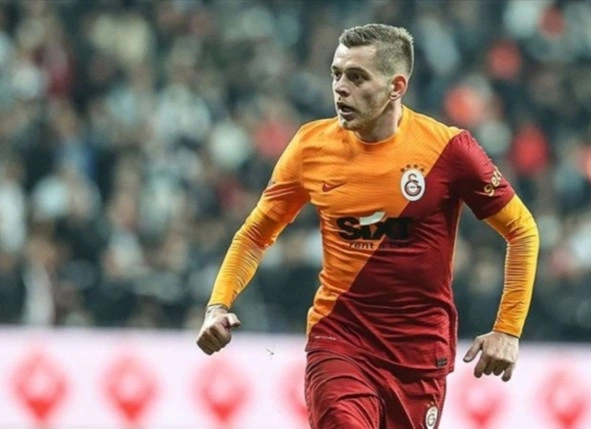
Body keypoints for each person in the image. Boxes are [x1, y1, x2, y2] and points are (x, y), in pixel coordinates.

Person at [196, 23, 539, 429]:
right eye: (336, 74)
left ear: (396, 87)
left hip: (419, 357)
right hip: (339, 342)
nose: (341, 88)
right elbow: (256, 234)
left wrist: (507, 330)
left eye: (357, 77)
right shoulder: (310, 146)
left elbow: (522, 230)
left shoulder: (448, 150)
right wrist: (218, 305)